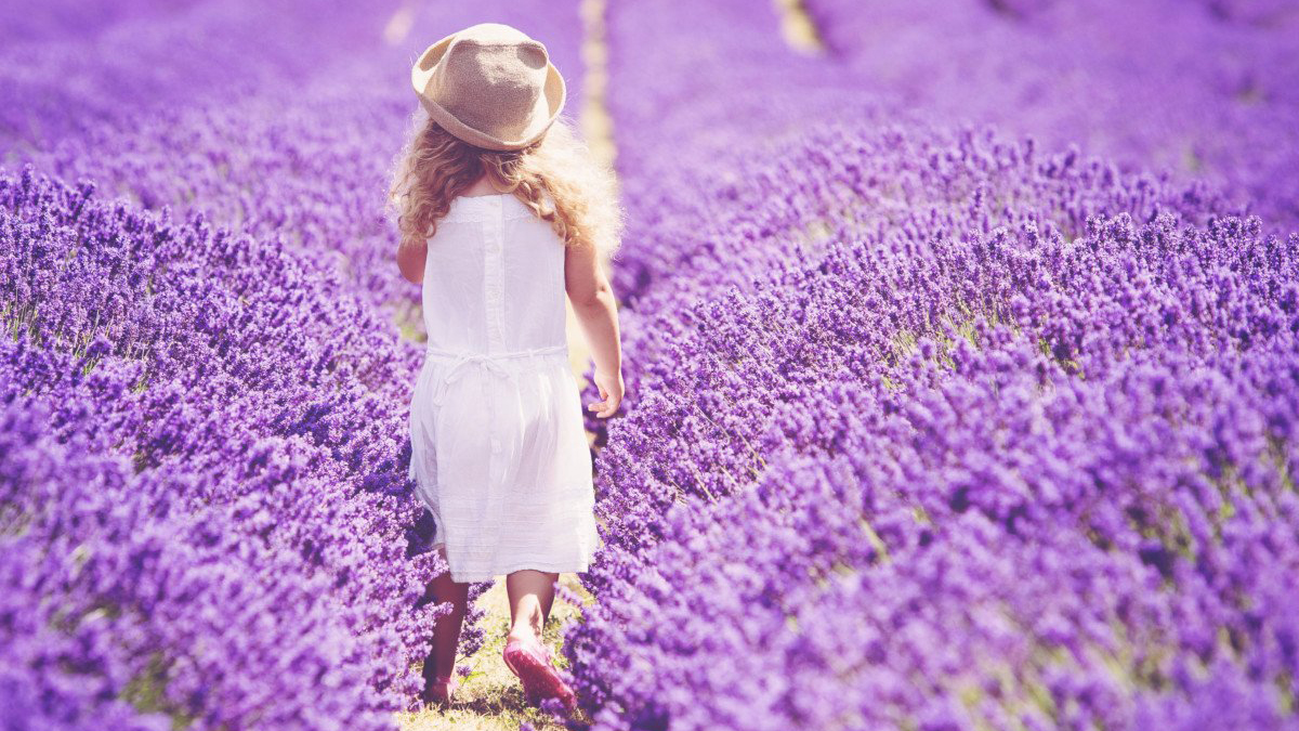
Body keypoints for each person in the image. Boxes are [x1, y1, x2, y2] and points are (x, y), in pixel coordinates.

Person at [388, 22, 624, 714]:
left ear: (443, 123)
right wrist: (609, 370)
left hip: (454, 382)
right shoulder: (558, 199)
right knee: (539, 511)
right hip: (537, 382)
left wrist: (431, 221)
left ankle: (438, 672)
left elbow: (410, 270)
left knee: (445, 522)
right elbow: (591, 294)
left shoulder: (434, 198)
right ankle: (524, 630)